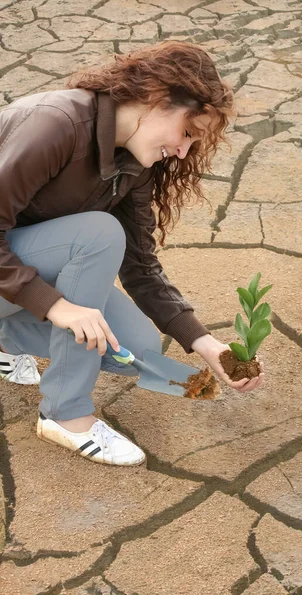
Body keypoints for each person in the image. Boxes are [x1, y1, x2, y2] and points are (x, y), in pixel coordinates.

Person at [0, 41, 264, 466]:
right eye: (187, 133)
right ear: (158, 100)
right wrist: (53, 305)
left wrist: (205, 345)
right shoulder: (58, 124)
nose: (183, 151)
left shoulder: (133, 165)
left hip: (13, 272)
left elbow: (141, 266)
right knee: (97, 234)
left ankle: (6, 338)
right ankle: (66, 414)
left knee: (137, 348)